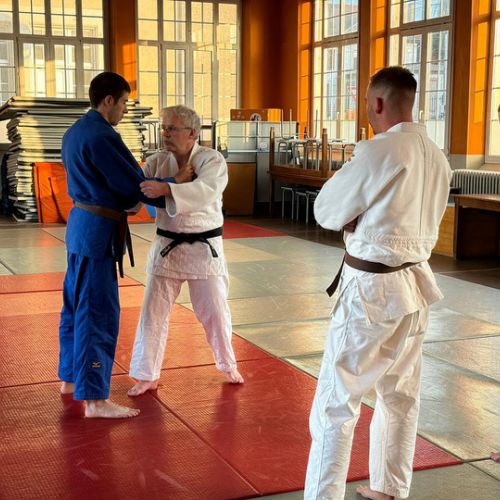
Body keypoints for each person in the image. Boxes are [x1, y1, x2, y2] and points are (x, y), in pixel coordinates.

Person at [304, 66, 452, 500]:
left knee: (336, 401)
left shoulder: (379, 151)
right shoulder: (437, 156)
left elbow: (326, 210)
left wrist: (353, 217)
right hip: (415, 287)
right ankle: (389, 487)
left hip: (371, 291)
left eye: (368, 103)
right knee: (400, 395)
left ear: (378, 103)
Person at [58, 72, 171, 419]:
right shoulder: (103, 136)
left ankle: (71, 379)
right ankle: (94, 398)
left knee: (75, 305)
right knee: (98, 312)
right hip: (97, 233)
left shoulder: (76, 131)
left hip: (81, 228)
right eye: (123, 102)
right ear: (108, 100)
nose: (124, 109)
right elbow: (133, 184)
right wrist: (173, 186)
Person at [127, 104, 243, 397]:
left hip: (205, 248)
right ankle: (146, 374)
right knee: (152, 312)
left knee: (215, 311)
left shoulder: (211, 160)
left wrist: (167, 189)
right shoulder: (156, 162)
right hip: (167, 246)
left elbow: (205, 192)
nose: (165, 134)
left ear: (192, 133)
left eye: (171, 129)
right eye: (163, 128)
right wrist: (161, 186)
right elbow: (137, 192)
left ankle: (227, 363)